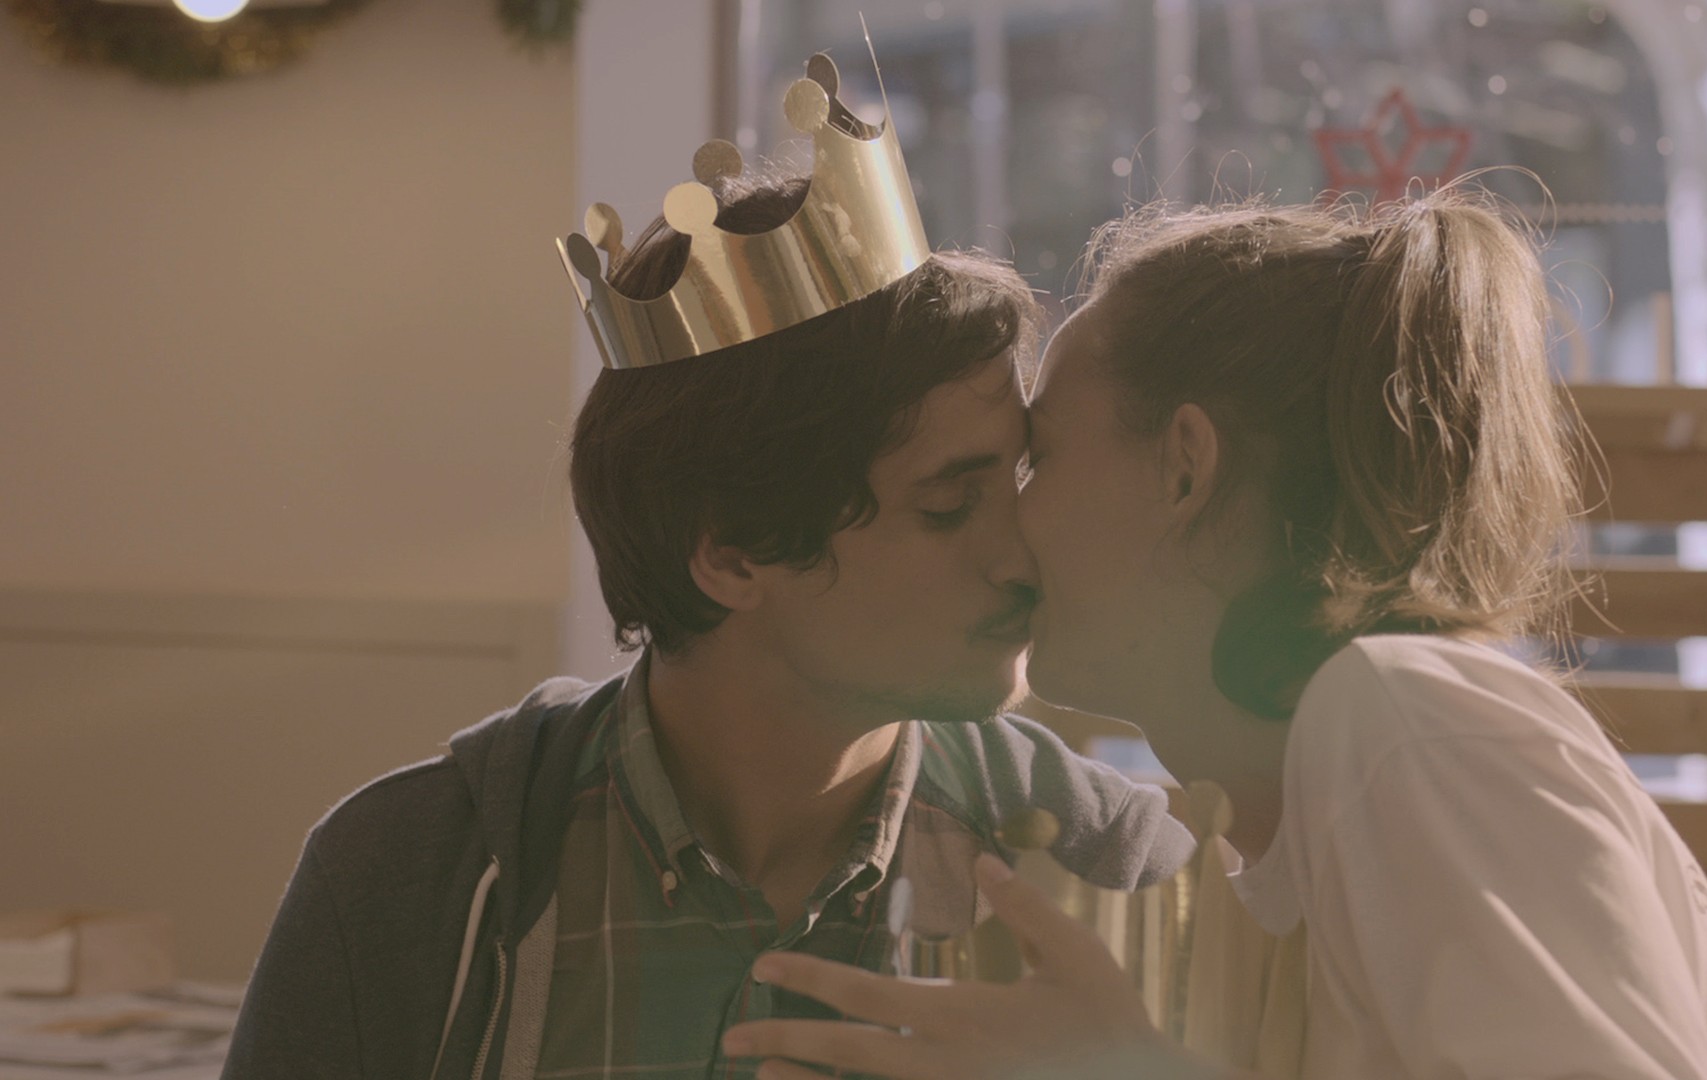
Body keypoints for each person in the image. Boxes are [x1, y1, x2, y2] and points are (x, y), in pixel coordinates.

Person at [221, 56, 1191, 1080]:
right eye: (949, 506)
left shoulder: (1102, 865)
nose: (1021, 553)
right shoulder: (408, 878)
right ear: (731, 555)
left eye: (1016, 480)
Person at [720, 186, 1707, 1080]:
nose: (1010, 526)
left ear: (1184, 468)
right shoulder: (1293, 828)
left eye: (1041, 460)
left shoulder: (1407, 722)